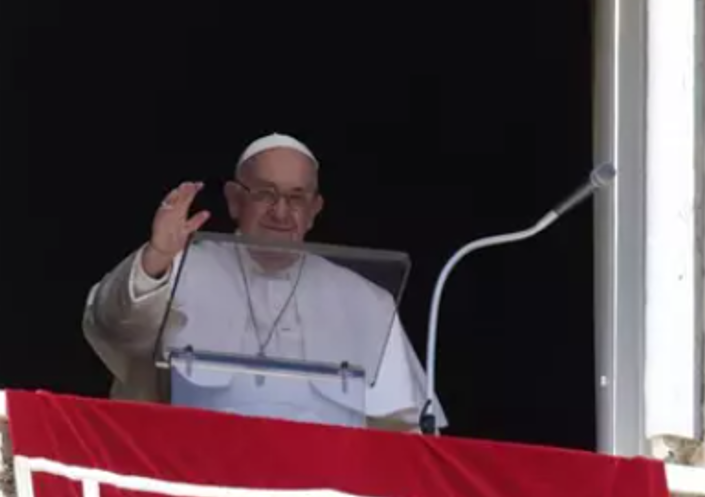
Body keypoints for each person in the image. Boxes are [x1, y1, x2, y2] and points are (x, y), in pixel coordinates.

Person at [82, 133, 446, 431]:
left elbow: (407, 430)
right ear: (235, 200)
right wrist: (158, 254)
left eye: (296, 197)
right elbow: (113, 325)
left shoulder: (367, 301)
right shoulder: (178, 269)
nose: (281, 212)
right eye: (265, 194)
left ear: (315, 210)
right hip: (194, 483)